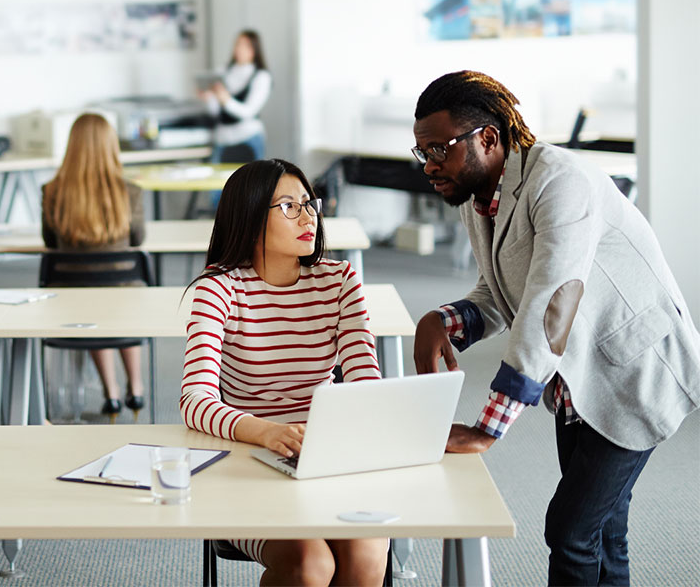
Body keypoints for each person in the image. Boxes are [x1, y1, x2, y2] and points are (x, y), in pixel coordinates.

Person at [410, 70, 700, 586]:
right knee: (604, 529)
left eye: (439, 149)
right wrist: (445, 320)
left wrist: (487, 427)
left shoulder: (559, 181)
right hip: (577, 379)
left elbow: (550, 305)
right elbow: (501, 291)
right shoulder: (481, 193)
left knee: (571, 531)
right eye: (423, 153)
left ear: (489, 138)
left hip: (634, 370)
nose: (430, 166)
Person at [181, 158, 387, 587]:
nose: (307, 215)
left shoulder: (340, 281)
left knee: (366, 551)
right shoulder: (218, 288)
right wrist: (265, 431)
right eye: (289, 206)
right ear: (251, 215)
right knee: (311, 565)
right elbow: (195, 401)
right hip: (245, 461)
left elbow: (366, 384)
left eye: (309, 203)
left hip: (325, 458)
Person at [41, 113, 148, 419]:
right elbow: (138, 239)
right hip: (124, 296)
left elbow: (50, 241)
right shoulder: (130, 192)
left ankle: (111, 392)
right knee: (117, 299)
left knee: (90, 302)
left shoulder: (52, 191)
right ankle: (136, 387)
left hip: (74, 301)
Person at [200, 29, 272, 164]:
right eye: (238, 44)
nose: (240, 49)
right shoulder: (223, 72)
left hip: (247, 137)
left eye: (246, 45)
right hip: (223, 138)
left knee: (249, 182)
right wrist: (209, 98)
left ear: (255, 49)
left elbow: (248, 112)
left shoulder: (261, 76)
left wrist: (226, 101)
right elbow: (215, 111)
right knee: (217, 184)